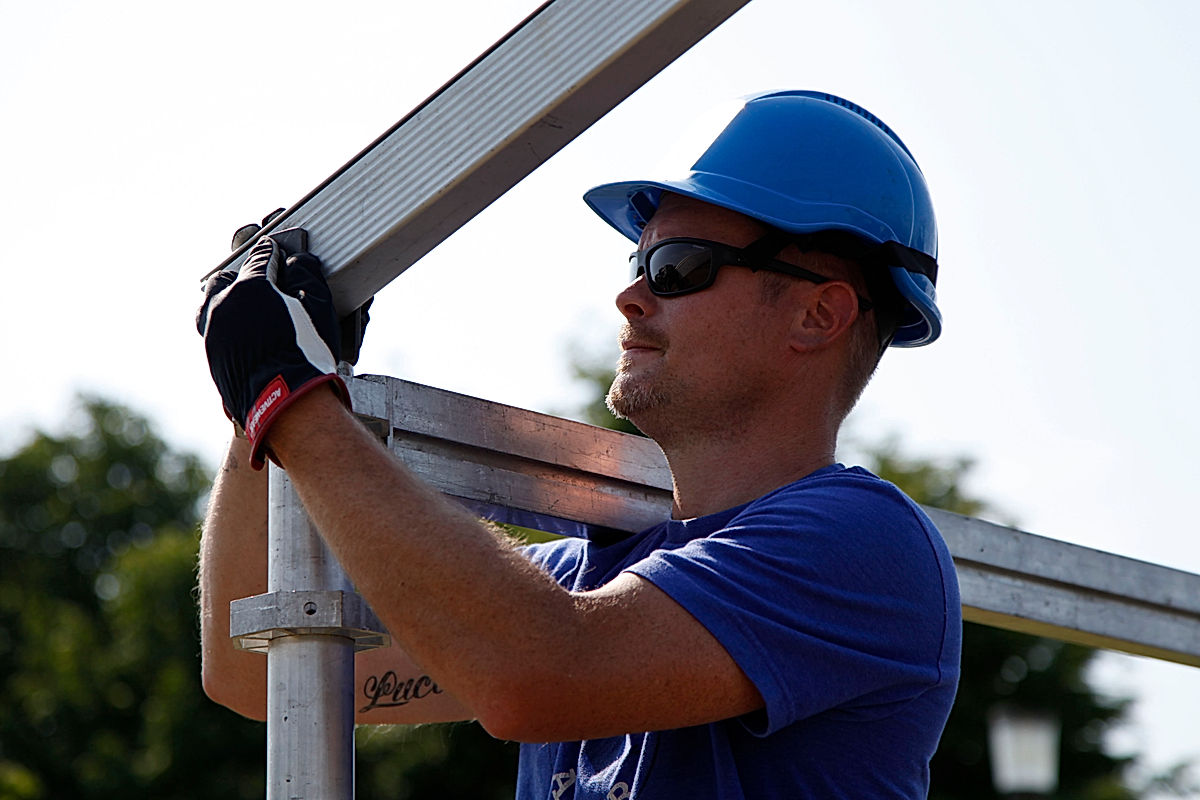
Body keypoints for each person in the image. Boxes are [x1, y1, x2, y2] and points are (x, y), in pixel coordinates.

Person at [197, 90, 961, 799]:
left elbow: (536, 672)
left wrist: (292, 400)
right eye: (639, 265)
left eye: (679, 267)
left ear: (818, 317)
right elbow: (250, 671)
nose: (631, 296)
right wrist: (256, 402)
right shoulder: (588, 578)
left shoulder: (864, 547)